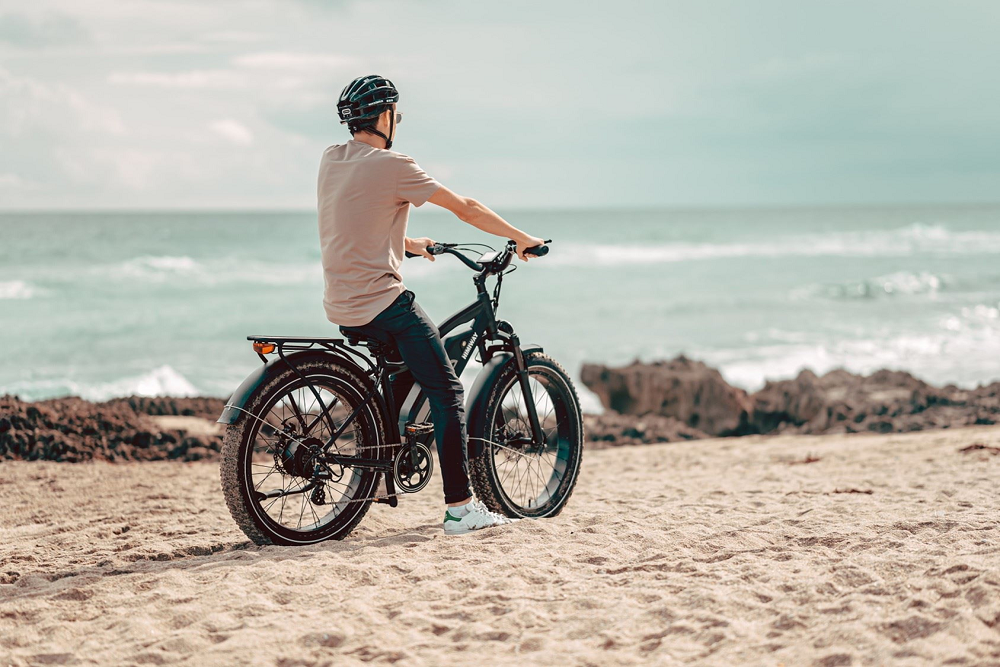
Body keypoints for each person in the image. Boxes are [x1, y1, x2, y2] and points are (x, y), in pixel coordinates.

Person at [317, 75, 545, 535]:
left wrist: (407, 243)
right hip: (382, 301)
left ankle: (379, 473)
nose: (396, 121)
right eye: (395, 114)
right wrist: (521, 238)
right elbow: (466, 207)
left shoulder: (332, 160)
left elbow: (354, 219)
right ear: (384, 117)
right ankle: (460, 509)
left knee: (402, 371)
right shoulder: (394, 165)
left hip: (340, 302)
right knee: (447, 392)